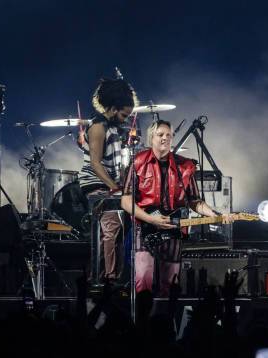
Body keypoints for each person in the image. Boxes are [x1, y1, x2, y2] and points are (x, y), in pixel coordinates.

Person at [120, 120, 234, 296]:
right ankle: (143, 321)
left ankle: (166, 320)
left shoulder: (185, 166)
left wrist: (216, 214)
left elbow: (195, 201)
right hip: (144, 228)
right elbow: (126, 201)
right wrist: (151, 219)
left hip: (174, 230)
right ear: (151, 138)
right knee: (143, 279)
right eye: (160, 135)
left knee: (170, 283)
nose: (165, 138)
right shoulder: (138, 162)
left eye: (168, 135)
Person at [78, 77, 139, 284]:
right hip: (96, 183)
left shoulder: (112, 128)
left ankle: (112, 273)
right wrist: (115, 188)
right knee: (111, 227)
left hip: (109, 184)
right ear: (113, 108)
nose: (125, 119)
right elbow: (95, 163)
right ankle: (107, 278)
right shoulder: (98, 127)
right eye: (123, 114)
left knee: (119, 229)